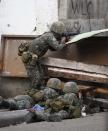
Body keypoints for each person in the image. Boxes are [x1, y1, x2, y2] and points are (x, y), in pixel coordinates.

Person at [18, 21, 68, 90]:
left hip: (35, 58)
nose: (62, 33)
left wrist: (61, 41)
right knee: (36, 78)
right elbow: (58, 47)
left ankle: (38, 93)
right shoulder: (49, 36)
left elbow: (52, 48)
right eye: (61, 31)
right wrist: (63, 41)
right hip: (30, 59)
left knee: (41, 76)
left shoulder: (48, 35)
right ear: (58, 30)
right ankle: (31, 94)